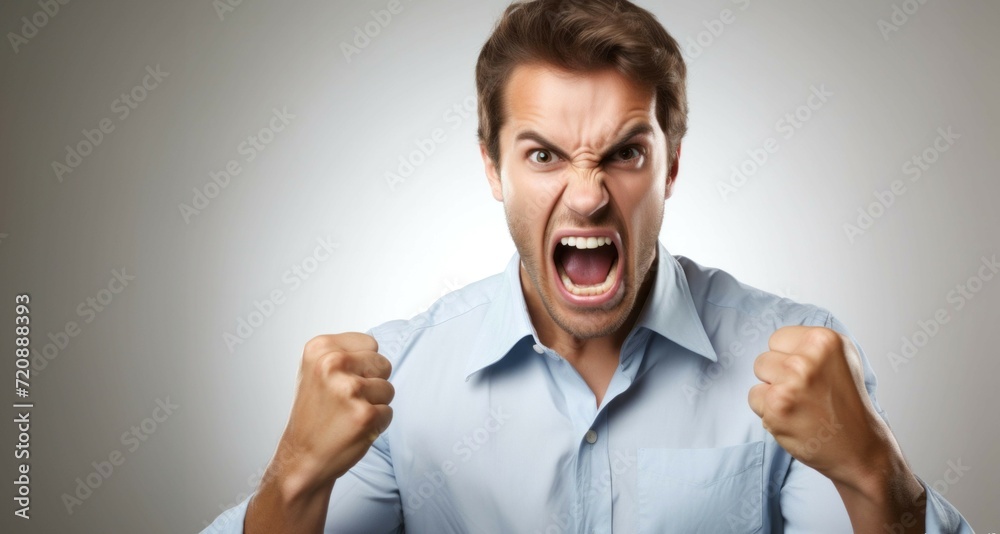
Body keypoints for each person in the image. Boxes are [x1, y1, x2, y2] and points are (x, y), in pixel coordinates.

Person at [205, 0, 973, 532]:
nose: (586, 195)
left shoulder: (798, 359)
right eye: (542, 155)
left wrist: (879, 475)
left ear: (671, 169)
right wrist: (294, 477)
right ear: (492, 169)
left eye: (626, 153)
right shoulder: (395, 382)